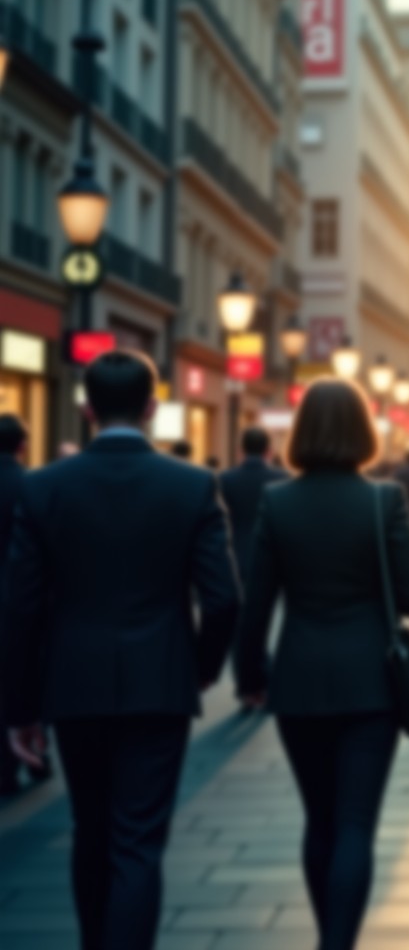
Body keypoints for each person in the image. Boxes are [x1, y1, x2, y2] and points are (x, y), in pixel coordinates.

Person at [2, 350, 241, 950]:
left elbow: (20, 608)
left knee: (91, 827)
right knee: (138, 839)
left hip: (74, 682)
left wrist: (21, 707)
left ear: (85, 411)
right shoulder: (192, 484)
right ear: (153, 408)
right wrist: (203, 668)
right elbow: (223, 600)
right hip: (159, 682)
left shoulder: (42, 487)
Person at [234, 379, 409, 950]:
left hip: (299, 681)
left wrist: (251, 676)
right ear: (363, 432)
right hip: (373, 682)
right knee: (354, 824)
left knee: (318, 820)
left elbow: (257, 603)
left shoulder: (277, 502)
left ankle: (330, 937)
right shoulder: (383, 500)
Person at [0, 415, 51, 797]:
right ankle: (35, 754)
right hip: (27, 599)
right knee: (31, 673)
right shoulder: (34, 486)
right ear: (22, 446)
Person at [219, 426, 289, 586]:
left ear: (241, 450)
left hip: (235, 554)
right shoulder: (282, 479)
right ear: (268, 450)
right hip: (273, 557)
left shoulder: (225, 479)